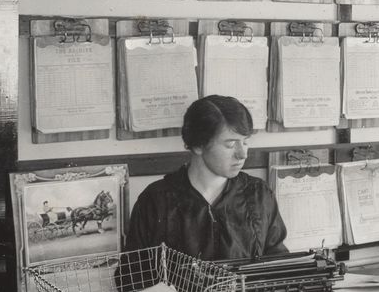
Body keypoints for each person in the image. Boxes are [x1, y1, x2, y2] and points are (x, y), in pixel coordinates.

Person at [123, 95, 287, 261]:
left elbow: (279, 264)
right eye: (230, 144)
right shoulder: (155, 201)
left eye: (245, 142)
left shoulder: (259, 194)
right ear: (198, 145)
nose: (242, 154)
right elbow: (133, 279)